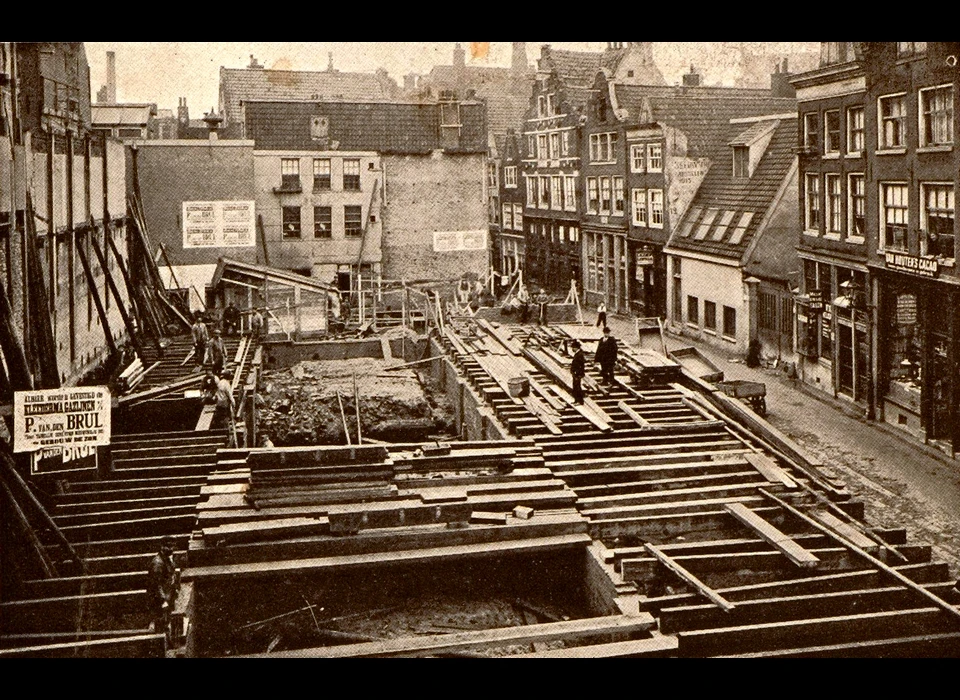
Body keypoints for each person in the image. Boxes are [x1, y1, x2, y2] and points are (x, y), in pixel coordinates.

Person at [146, 536, 179, 639]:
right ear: (162, 547)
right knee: (161, 623)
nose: (171, 549)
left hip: (168, 595)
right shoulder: (158, 563)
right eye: (168, 546)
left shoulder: (167, 558)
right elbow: (156, 585)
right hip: (161, 599)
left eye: (172, 546)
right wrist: (163, 600)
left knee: (166, 621)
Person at [213, 369, 237, 445]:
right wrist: (234, 404)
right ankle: (226, 436)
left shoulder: (220, 382)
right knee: (225, 418)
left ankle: (218, 434)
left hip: (218, 403)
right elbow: (230, 395)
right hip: (224, 403)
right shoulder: (226, 384)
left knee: (219, 418)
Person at [569, 340, 586, 405]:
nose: (572, 349)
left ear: (576, 347)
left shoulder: (580, 354)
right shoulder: (577, 354)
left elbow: (581, 365)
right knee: (575, 387)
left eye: (573, 347)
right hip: (575, 373)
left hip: (577, 374)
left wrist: (578, 373)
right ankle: (576, 400)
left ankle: (580, 401)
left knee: (578, 387)